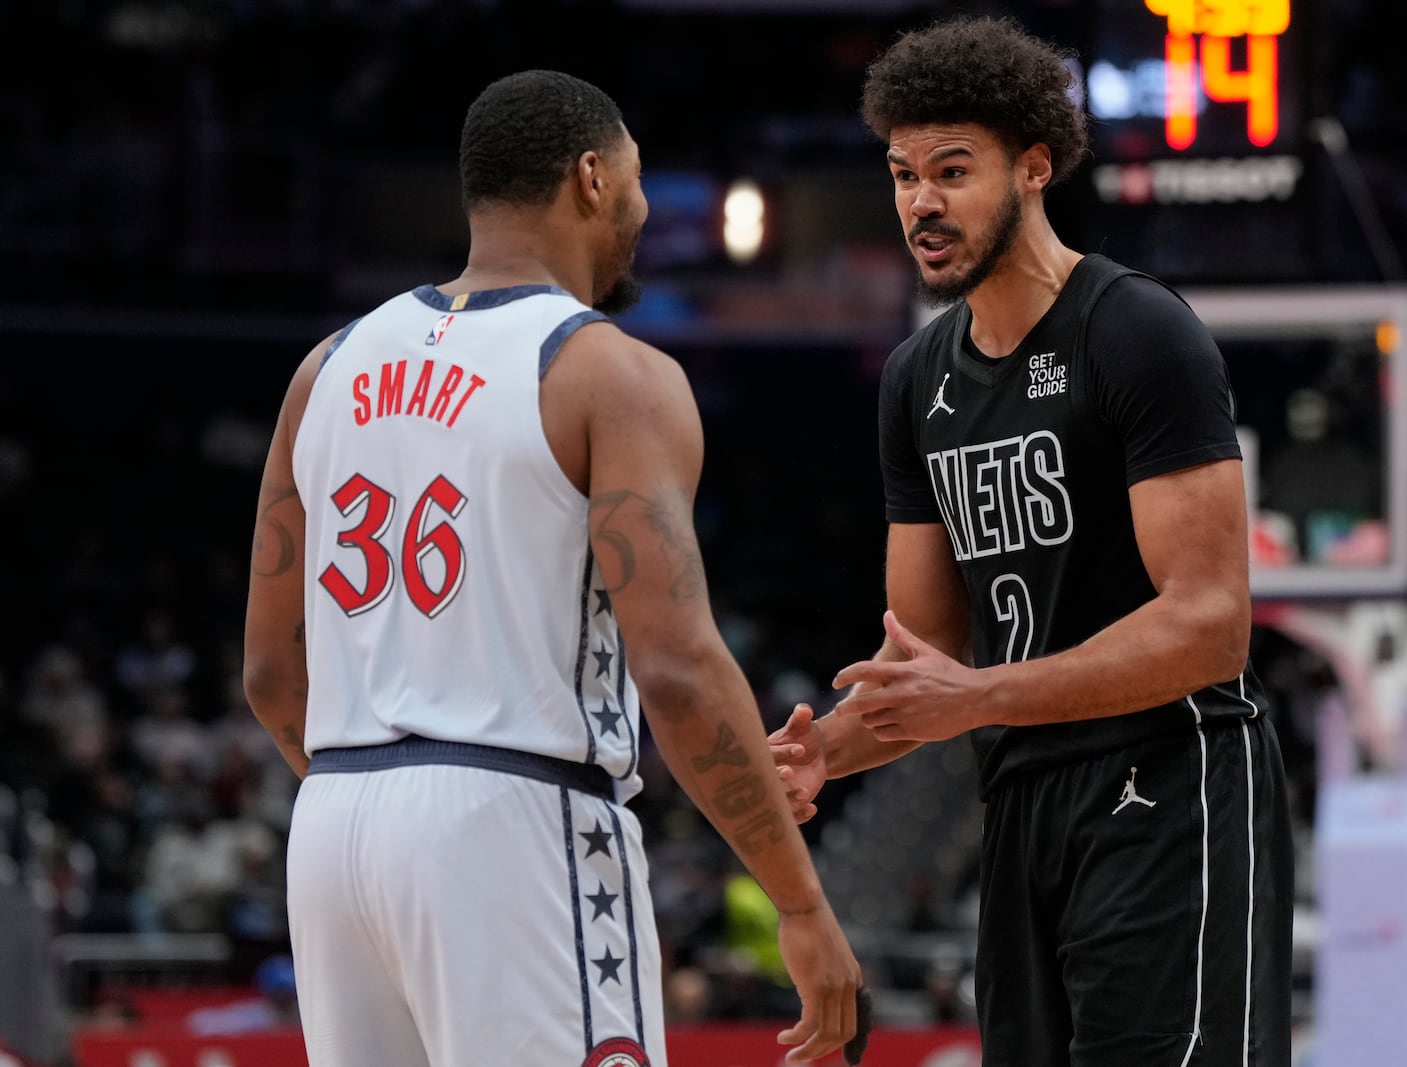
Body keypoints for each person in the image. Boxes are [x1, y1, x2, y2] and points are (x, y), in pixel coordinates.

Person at [243, 69, 862, 1067]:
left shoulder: (325, 366)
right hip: (513, 819)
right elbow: (674, 665)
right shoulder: (609, 371)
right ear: (590, 178)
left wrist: (384, 803)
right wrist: (798, 900)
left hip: (333, 824)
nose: (643, 210)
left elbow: (271, 672)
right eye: (636, 182)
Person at [770, 15, 1293, 1066]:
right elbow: (923, 666)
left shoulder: (1137, 330)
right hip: (1022, 795)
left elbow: (1209, 626)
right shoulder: (918, 381)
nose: (921, 200)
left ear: (1034, 167)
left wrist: (984, 696)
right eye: (903, 173)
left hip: (1167, 777)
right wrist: (821, 749)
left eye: (952, 170)